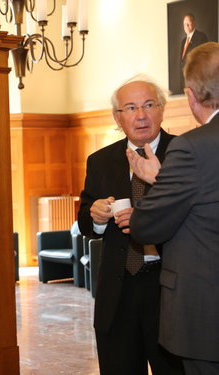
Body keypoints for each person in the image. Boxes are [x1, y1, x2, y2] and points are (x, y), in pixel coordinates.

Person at [78, 76, 183, 374]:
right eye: (131, 107)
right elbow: (84, 219)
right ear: (117, 117)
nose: (141, 115)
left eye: (149, 105)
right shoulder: (100, 160)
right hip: (117, 292)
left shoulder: (184, 153)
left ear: (162, 110)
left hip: (169, 289)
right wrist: (95, 217)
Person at [129, 42, 219, 374]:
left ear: (191, 96)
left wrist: (159, 181)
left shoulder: (191, 147)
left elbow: (145, 228)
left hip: (206, 314)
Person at [179, 13, 208, 91]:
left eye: (189, 23)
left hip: (197, 81)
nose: (187, 26)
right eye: (185, 24)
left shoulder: (201, 37)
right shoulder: (183, 41)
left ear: (194, 23)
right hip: (185, 80)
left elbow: (203, 59)